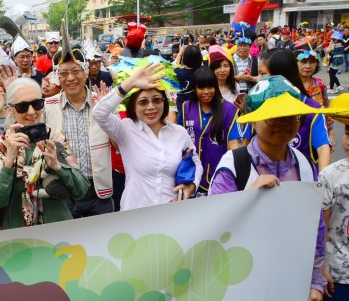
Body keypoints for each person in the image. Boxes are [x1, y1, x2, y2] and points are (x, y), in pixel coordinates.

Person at [209, 78, 326, 301]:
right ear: (254, 120)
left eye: (291, 117)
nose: (284, 125)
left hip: (282, 288)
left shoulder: (305, 164)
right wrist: (249, 195)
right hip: (235, 287)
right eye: (274, 118)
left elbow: (315, 227)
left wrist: (316, 281)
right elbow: (214, 228)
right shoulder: (233, 166)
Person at [92, 62, 202, 210]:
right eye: (143, 102)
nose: (151, 107)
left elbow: (195, 161)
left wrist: (192, 186)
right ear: (133, 105)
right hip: (135, 216)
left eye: (156, 100)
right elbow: (99, 113)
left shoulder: (178, 132)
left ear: (164, 102)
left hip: (171, 214)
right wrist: (130, 83)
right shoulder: (126, 129)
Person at [0, 78, 89, 229]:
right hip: (19, 234)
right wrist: (9, 161)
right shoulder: (2, 146)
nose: (31, 112)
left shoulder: (55, 138)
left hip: (58, 230)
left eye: (37, 104)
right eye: (22, 106)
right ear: (10, 110)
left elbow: (81, 189)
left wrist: (57, 166)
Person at [44, 45, 114, 217]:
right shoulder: (47, 106)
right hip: (64, 191)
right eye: (63, 73)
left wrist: (108, 115)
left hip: (99, 192)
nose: (70, 78)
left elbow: (118, 143)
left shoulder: (103, 103)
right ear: (57, 78)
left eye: (76, 71)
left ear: (86, 72)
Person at [258, 49, 331, 173]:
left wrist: (322, 183)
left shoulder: (311, 109)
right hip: (264, 182)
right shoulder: (258, 105)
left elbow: (323, 148)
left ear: (279, 75)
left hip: (301, 184)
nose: (258, 79)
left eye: (262, 73)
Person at [314, 95, 349, 301]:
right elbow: (321, 228)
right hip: (337, 271)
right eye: (348, 132)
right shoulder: (330, 175)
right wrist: (319, 267)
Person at [178, 68, 242, 195]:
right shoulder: (187, 107)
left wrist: (234, 172)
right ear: (195, 89)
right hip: (189, 176)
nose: (206, 92)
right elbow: (176, 138)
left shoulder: (229, 110)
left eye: (210, 87)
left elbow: (233, 145)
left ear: (216, 87)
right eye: (201, 88)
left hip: (217, 175)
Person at [295, 47, 335, 150]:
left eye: (312, 62)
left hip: (317, 132)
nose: (308, 66)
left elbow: (326, 109)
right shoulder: (289, 85)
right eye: (303, 62)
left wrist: (330, 134)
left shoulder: (320, 84)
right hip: (295, 135)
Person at [174, 44, 203, 114]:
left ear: (185, 58)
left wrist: (180, 52)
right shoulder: (203, 72)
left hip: (182, 105)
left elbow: (176, 64)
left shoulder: (179, 73)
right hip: (199, 104)